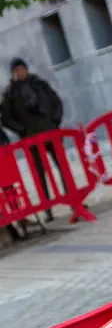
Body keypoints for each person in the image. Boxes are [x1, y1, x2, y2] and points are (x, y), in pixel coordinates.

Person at [1, 58, 65, 222]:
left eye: (22, 69)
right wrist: (22, 131)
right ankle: (48, 209)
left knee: (62, 167)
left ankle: (73, 199)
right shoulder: (10, 94)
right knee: (39, 174)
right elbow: (6, 119)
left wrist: (55, 120)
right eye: (17, 71)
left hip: (50, 131)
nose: (21, 73)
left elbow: (56, 102)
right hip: (31, 138)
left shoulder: (40, 85)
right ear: (13, 73)